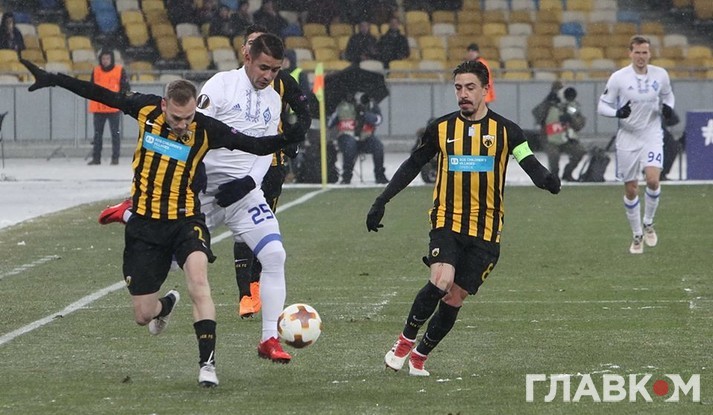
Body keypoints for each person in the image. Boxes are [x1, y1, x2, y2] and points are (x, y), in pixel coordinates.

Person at [19, 58, 300, 387]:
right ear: (164, 105)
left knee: (200, 281)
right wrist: (54, 78)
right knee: (143, 314)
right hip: (146, 223)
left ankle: (208, 366)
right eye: (177, 118)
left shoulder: (204, 127)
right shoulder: (145, 109)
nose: (183, 125)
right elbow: (100, 93)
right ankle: (159, 292)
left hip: (186, 219)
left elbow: (253, 144)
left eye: (189, 118)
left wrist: (289, 137)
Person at [366, 60, 560, 376]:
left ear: (486, 90)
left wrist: (547, 180)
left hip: (487, 229)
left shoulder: (507, 131)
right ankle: (404, 342)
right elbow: (413, 164)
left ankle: (420, 356)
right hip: (447, 219)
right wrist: (382, 200)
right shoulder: (441, 128)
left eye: (470, 87)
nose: (463, 94)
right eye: (458, 88)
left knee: (455, 297)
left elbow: (529, 162)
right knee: (441, 280)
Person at [597, 35, 675, 254]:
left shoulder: (660, 75)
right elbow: (602, 106)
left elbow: (669, 96)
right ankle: (637, 234)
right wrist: (617, 113)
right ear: (630, 53)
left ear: (650, 54)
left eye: (645, 52)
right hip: (628, 136)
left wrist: (668, 108)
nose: (641, 56)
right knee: (631, 189)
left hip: (651, 133)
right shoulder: (619, 78)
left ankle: (648, 222)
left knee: (653, 180)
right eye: (637, 52)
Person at [328, 93, 388, 184]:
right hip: (346, 136)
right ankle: (346, 175)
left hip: (365, 137)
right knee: (350, 145)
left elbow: (378, 120)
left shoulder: (371, 104)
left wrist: (364, 114)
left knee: (378, 146)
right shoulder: (341, 105)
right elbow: (330, 123)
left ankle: (380, 175)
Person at [533, 81, 586, 182]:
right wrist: (548, 101)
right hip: (550, 139)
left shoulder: (571, 106)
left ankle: (568, 173)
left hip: (567, 138)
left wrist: (571, 118)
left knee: (579, 151)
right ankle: (554, 176)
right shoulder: (548, 105)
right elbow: (538, 116)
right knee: (554, 156)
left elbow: (580, 125)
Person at [87, 48, 130, 165]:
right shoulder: (96, 71)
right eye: (103, 58)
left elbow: (125, 88)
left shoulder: (119, 70)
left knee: (115, 134)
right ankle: (96, 158)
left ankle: (115, 158)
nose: (105, 61)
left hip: (113, 108)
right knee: (97, 135)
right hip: (99, 108)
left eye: (107, 58)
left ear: (112, 59)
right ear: (100, 59)